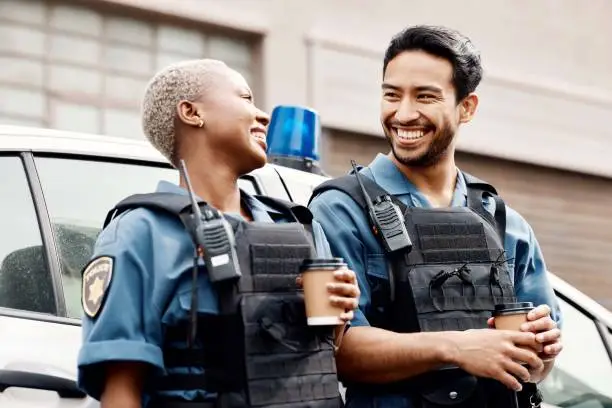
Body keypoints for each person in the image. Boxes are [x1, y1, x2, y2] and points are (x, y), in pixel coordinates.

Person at [77, 59, 360, 408]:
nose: (263, 116)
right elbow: (121, 392)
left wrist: (339, 316)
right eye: (245, 98)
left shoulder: (299, 227)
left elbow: (320, 361)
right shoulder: (139, 234)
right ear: (192, 112)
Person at [308, 25, 563, 408]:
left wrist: (541, 350)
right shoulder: (340, 210)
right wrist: (457, 348)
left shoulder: (503, 222)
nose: (404, 114)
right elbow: (332, 350)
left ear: (467, 107)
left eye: (425, 97)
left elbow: (537, 365)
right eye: (392, 95)